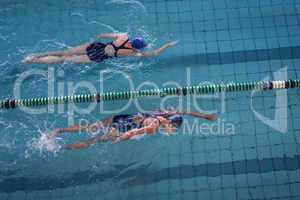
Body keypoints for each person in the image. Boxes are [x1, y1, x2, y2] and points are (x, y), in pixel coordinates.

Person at [48, 109, 217, 150]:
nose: (172, 131)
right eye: (174, 129)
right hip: (124, 127)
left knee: (91, 127)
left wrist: (204, 116)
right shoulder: (154, 127)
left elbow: (185, 111)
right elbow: (134, 132)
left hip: (124, 117)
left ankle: (59, 130)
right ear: (170, 124)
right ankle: (64, 148)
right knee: (93, 141)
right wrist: (120, 139)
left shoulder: (165, 114)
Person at [23, 33, 178, 64]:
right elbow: (154, 53)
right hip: (97, 57)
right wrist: (167, 45)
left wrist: (95, 39)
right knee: (64, 60)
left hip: (96, 46)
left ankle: (34, 56)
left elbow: (102, 35)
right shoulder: (132, 52)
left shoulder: (123, 36)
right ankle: (34, 62)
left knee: (65, 52)